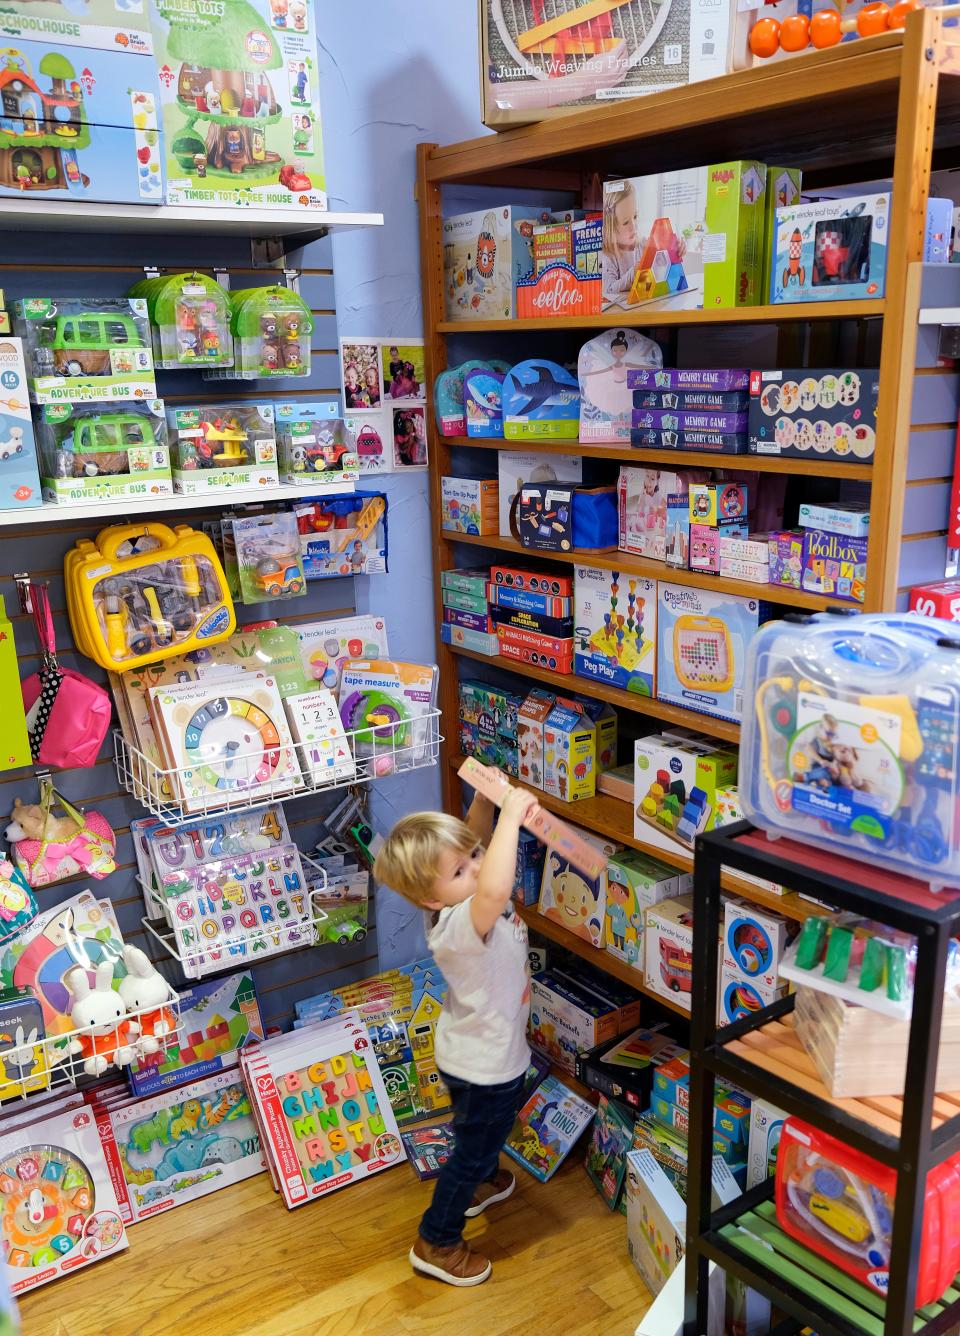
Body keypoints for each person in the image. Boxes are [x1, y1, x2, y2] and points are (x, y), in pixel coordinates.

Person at [374, 784, 540, 1287]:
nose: (477, 866)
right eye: (461, 870)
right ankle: (437, 1239)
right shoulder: (464, 925)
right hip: (484, 1065)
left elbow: (475, 853)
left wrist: (487, 807)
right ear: (431, 896)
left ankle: (481, 1179)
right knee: (471, 1146)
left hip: (483, 1051)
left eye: (475, 856)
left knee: (486, 1130)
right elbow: (492, 888)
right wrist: (512, 817)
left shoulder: (452, 899)